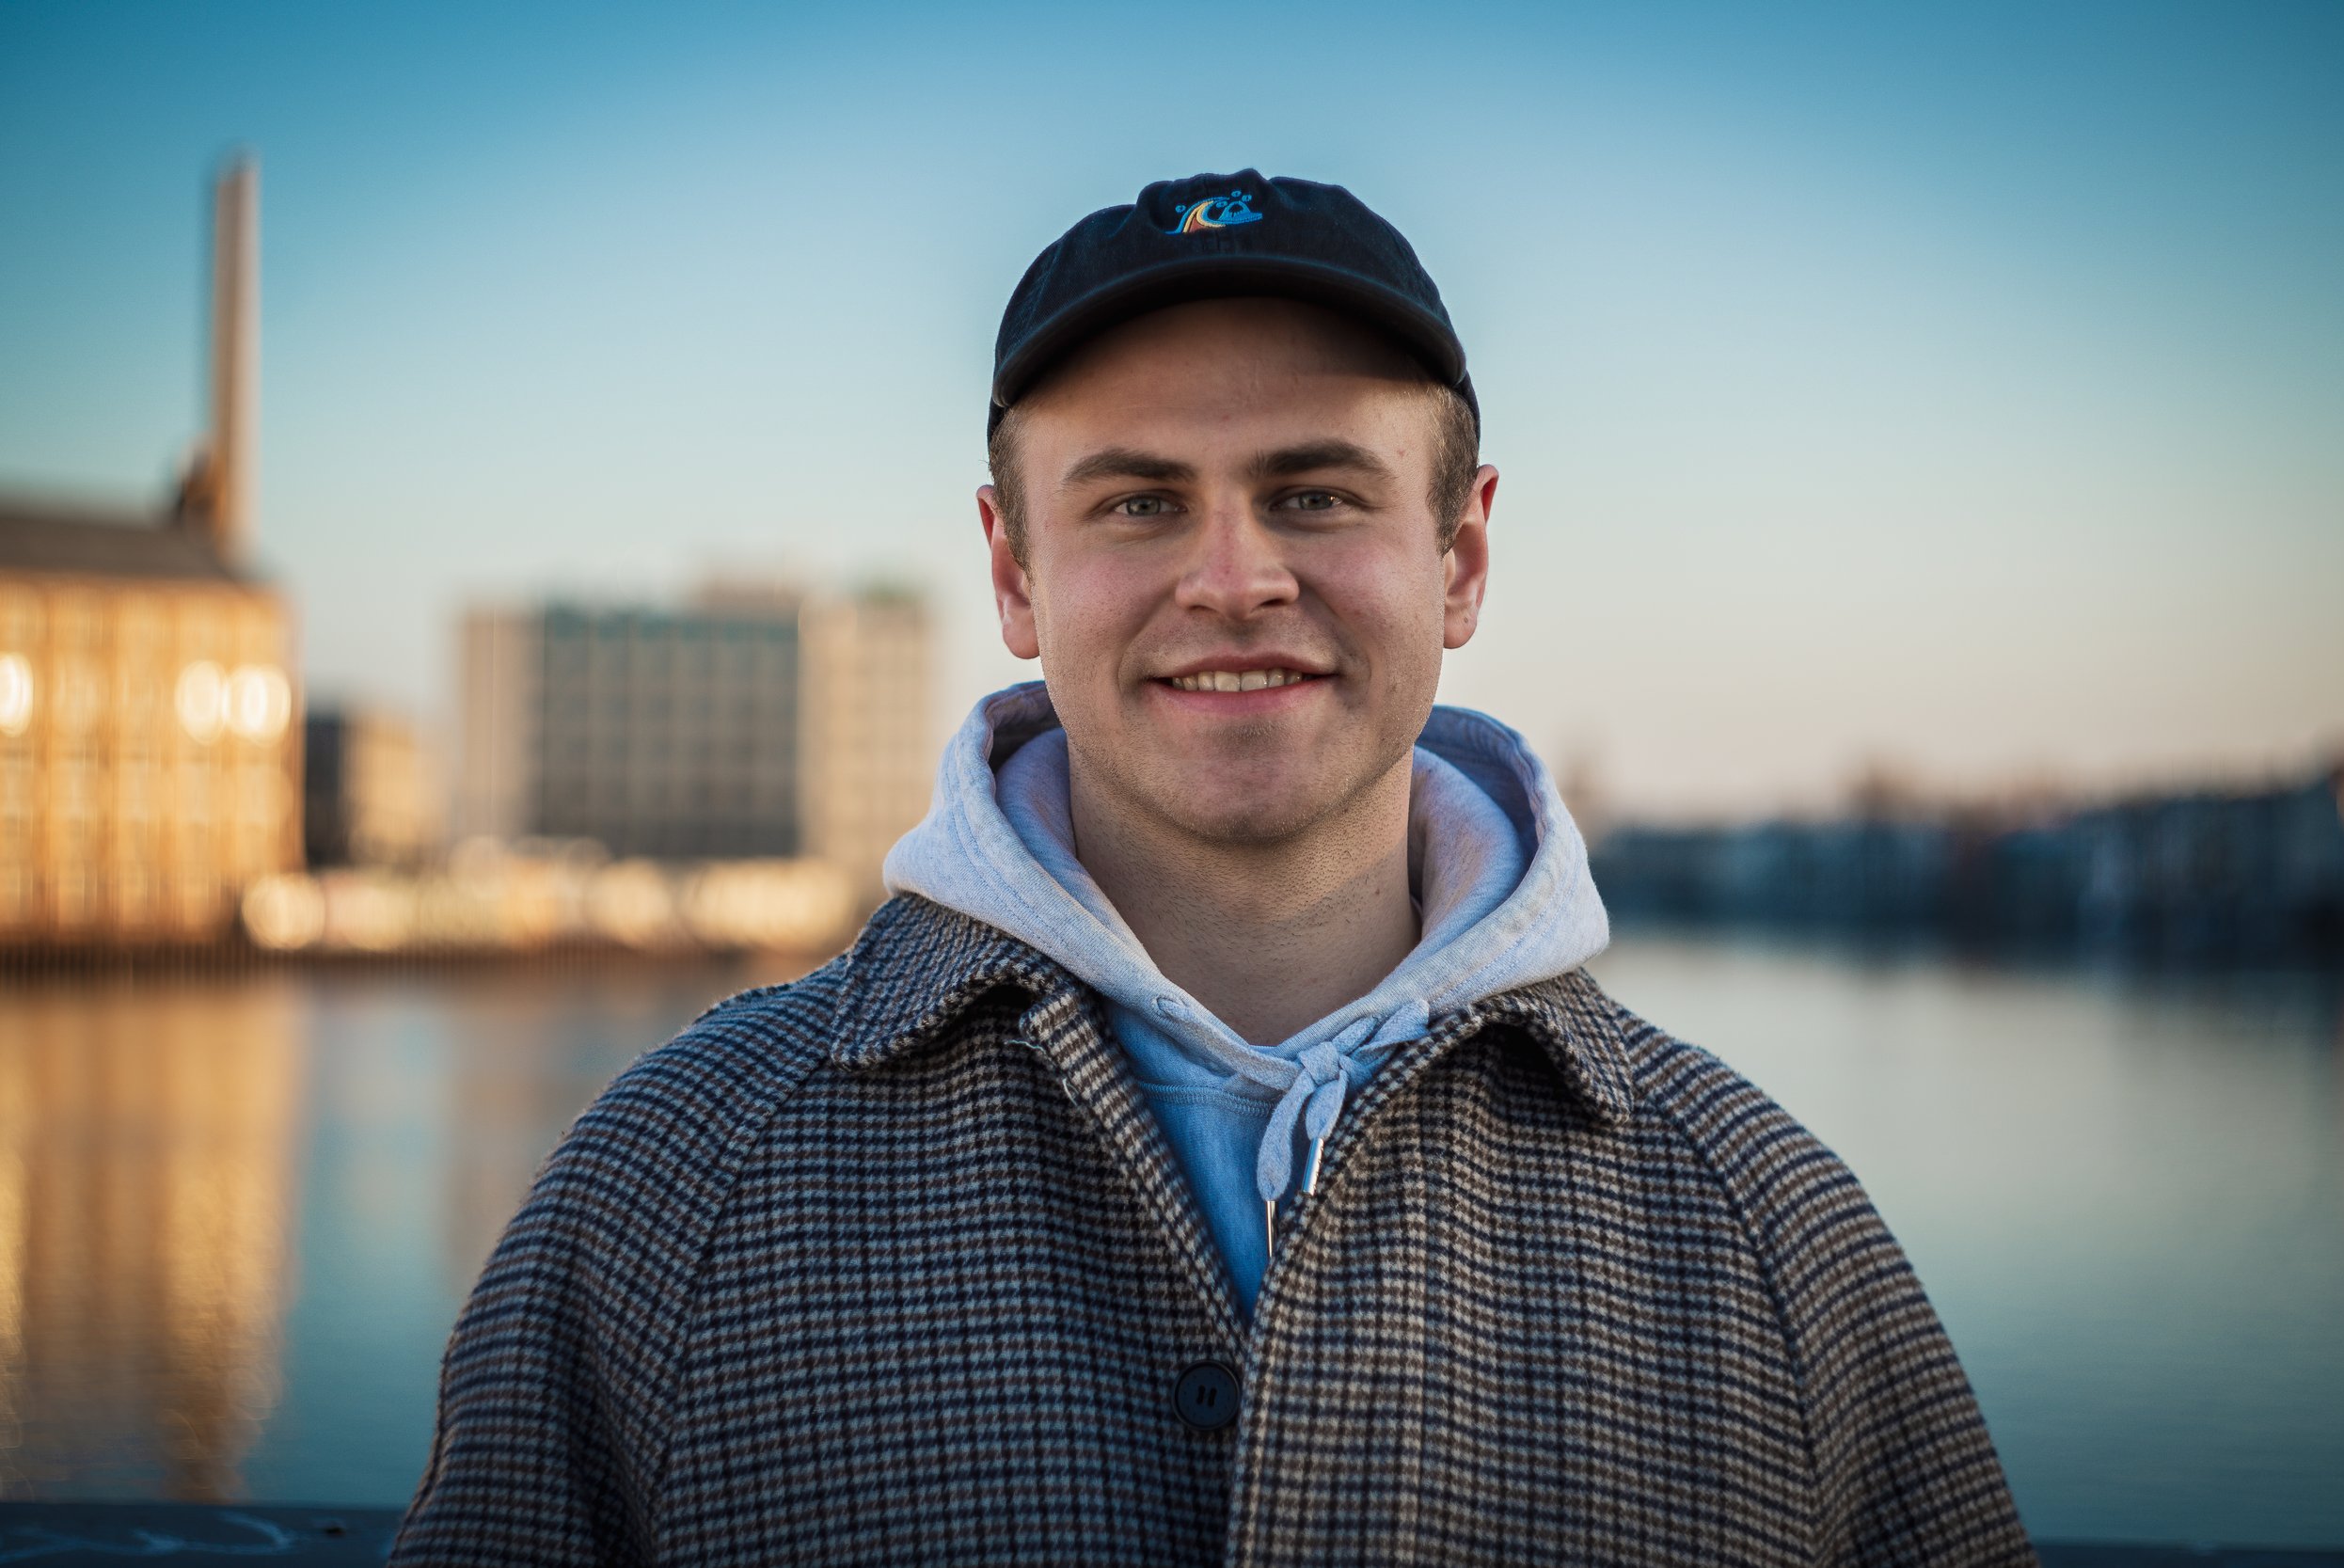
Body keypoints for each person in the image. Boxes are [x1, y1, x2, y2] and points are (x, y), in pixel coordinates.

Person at [393, 171, 2034, 1566]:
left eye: (1315, 493)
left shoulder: (1768, 1226)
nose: (1235, 579)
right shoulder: (665, 1192)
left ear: (1460, 557)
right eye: (1138, 504)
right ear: (1014, 573)